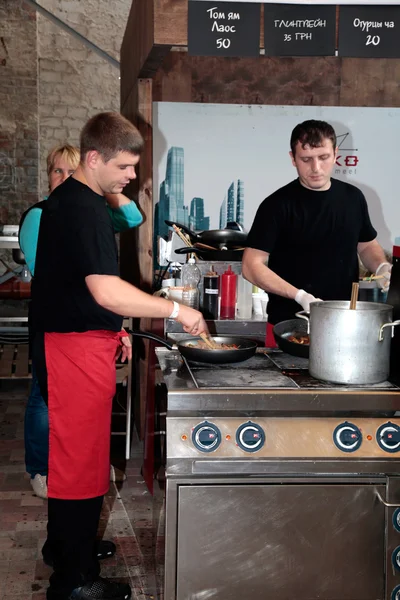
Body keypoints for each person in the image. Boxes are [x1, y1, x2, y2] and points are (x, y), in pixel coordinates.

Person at [30, 112, 207, 600]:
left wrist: (114, 330)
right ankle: (75, 582)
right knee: (79, 463)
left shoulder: (75, 200)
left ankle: (68, 548)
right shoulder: (83, 207)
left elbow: (79, 286)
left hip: (76, 340)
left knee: (77, 460)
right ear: (94, 158)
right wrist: (177, 310)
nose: (133, 175)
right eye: (127, 166)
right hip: (70, 349)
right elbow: (106, 289)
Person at [20, 144, 142, 500]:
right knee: (44, 398)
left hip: (84, 324)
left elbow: (133, 217)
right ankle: (42, 468)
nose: (63, 178)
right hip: (57, 324)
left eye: (69, 172)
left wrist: (106, 189)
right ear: (48, 177)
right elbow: (55, 278)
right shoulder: (41, 216)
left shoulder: (88, 210)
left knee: (74, 412)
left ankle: (78, 468)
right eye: (57, 171)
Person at [242, 119, 392, 346]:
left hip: (344, 325)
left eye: (323, 157)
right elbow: (251, 266)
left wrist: (382, 267)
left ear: (335, 154)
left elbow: (366, 245)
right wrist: (300, 296)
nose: (316, 168)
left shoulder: (354, 198)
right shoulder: (276, 205)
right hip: (289, 328)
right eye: (306, 159)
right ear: (293, 158)